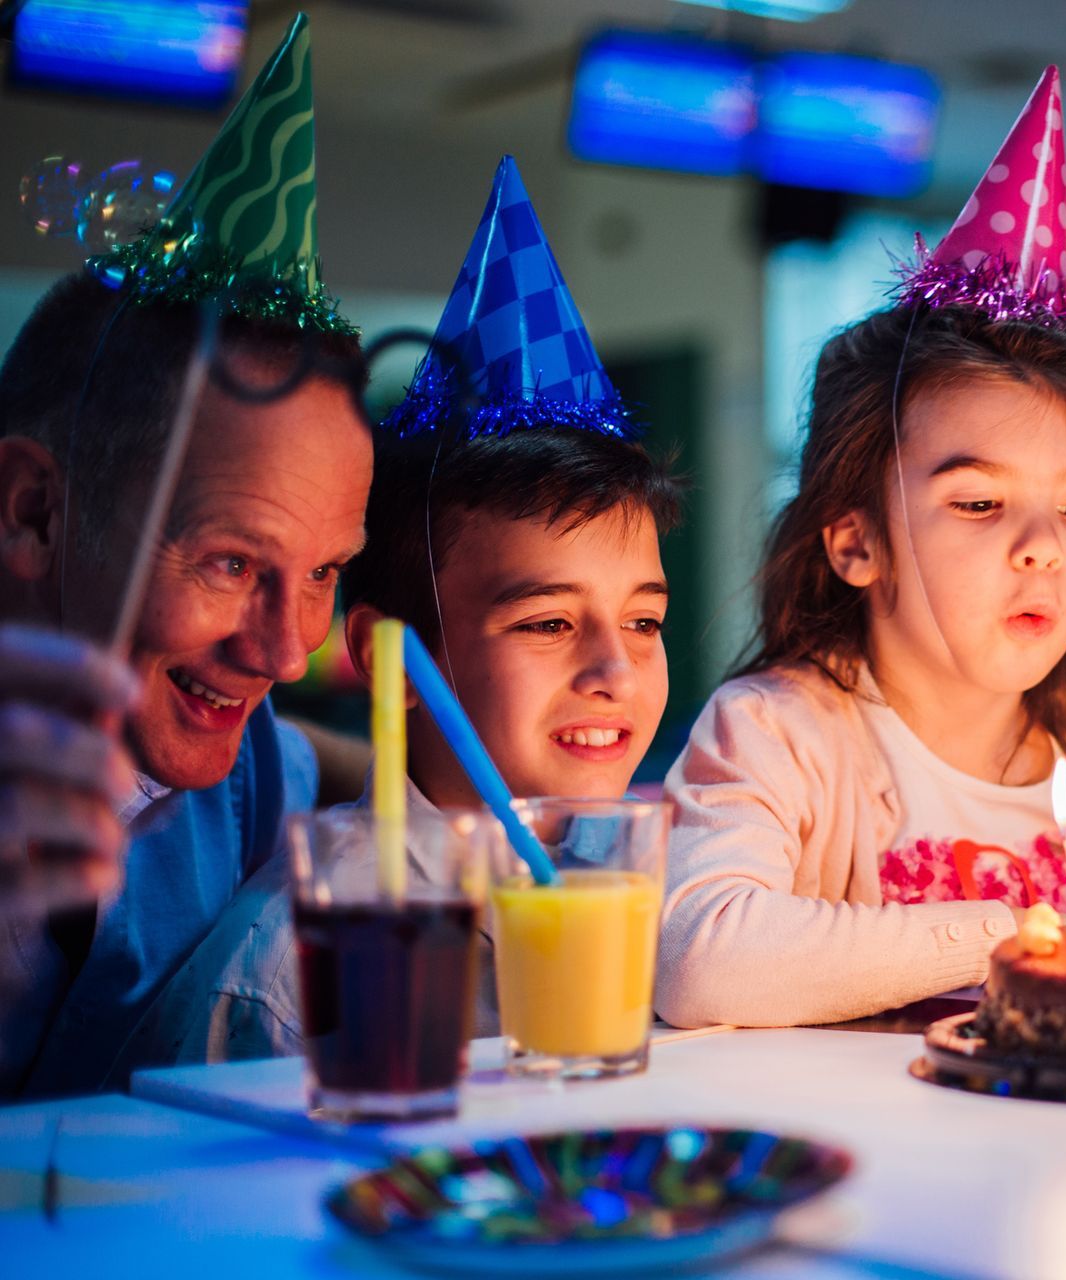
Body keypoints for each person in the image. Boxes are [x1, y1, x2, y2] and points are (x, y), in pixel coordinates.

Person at [141, 157, 682, 1062]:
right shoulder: (308, 974)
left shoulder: (648, 906)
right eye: (548, 623)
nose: (615, 671)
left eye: (644, 622)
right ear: (393, 661)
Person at [657, 69, 1066, 1029]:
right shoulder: (781, 736)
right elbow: (699, 959)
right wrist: (1016, 933)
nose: (1042, 548)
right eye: (979, 501)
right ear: (855, 542)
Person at [0, 16, 378, 1093]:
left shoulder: (245, 769)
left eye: (322, 572)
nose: (288, 649)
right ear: (32, 510)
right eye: (230, 562)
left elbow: (317, 753)